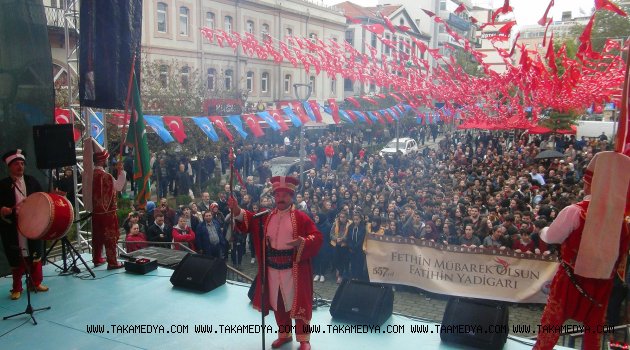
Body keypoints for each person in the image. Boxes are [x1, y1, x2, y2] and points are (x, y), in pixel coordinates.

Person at [534, 151, 630, 350]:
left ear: (589, 182)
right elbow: (621, 255)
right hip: (601, 284)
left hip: (570, 280)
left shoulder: (575, 212)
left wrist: (542, 230)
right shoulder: (622, 222)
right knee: (593, 332)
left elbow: (552, 237)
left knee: (551, 326)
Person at [228, 176, 322, 350]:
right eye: (278, 194)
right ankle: (284, 335)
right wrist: (236, 209)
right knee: (279, 303)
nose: (281, 198)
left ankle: (303, 340)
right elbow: (248, 221)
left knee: (298, 303)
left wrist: (303, 242)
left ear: (292, 196)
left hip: (294, 269)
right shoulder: (267, 216)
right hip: (272, 269)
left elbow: (317, 236)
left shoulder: (301, 217)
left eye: (285, 194)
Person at [0, 149, 49, 300]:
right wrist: (3, 209)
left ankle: (35, 282)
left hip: (32, 224)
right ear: (9, 167)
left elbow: (42, 198)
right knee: (17, 255)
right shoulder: (2, 185)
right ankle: (17, 287)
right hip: (13, 227)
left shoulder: (32, 181)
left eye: (22, 164)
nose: (20, 167)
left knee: (35, 252)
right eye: (16, 164)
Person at [91, 146, 126, 269]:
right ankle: (112, 262)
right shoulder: (107, 176)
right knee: (110, 237)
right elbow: (119, 187)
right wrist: (121, 172)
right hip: (108, 213)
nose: (107, 161)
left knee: (97, 236)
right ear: (102, 161)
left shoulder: (90, 175)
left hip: (96, 212)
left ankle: (96, 259)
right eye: (106, 159)